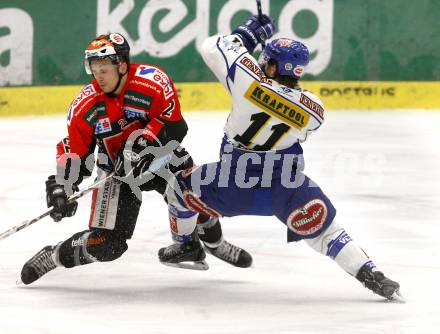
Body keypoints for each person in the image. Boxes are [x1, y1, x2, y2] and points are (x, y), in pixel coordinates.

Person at [158, 16, 402, 301]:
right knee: (326, 232)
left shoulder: (247, 80)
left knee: (178, 188)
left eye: (266, 60)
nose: (261, 63)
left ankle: (186, 244)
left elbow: (212, 46)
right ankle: (372, 275)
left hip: (232, 185)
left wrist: (248, 34)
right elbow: (293, 112)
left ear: (273, 65)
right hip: (285, 187)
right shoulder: (315, 109)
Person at [20, 33, 252, 285]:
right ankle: (53, 256)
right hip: (116, 171)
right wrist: (61, 185)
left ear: (121, 64)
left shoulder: (152, 82)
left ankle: (213, 244)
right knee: (107, 245)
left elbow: (176, 126)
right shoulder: (85, 106)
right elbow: (77, 151)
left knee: (198, 197)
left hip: (162, 157)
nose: (98, 76)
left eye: (104, 69)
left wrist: (146, 145)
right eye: (94, 69)